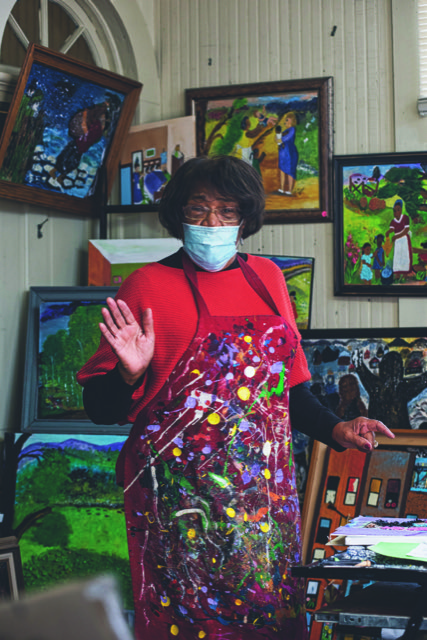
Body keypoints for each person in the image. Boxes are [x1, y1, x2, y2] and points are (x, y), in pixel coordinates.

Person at [77, 156, 394, 640]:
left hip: (262, 502)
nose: (212, 223)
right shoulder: (147, 286)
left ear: (245, 218)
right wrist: (128, 373)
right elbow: (100, 410)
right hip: (180, 506)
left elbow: (288, 392)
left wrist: (337, 429)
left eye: (226, 211)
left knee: (267, 622)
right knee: (189, 625)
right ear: (178, 214)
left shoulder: (267, 279)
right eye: (199, 209)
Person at [385, 199, 413, 276]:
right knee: (397, 256)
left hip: (404, 240)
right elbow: (392, 229)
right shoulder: (393, 221)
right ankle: (397, 273)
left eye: (398, 210)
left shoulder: (405, 218)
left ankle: (405, 273)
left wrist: (396, 236)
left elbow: (406, 230)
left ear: (401, 210)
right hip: (397, 242)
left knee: (405, 255)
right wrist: (388, 232)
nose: (396, 212)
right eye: (394, 210)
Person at [277, 111, 299, 195]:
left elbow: (285, 139)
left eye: (287, 120)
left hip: (290, 152)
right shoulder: (285, 130)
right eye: (286, 120)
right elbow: (279, 139)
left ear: (292, 121)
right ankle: (282, 188)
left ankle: (289, 190)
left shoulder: (292, 129)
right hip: (282, 151)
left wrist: (279, 139)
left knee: (289, 170)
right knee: (282, 169)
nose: (285, 122)